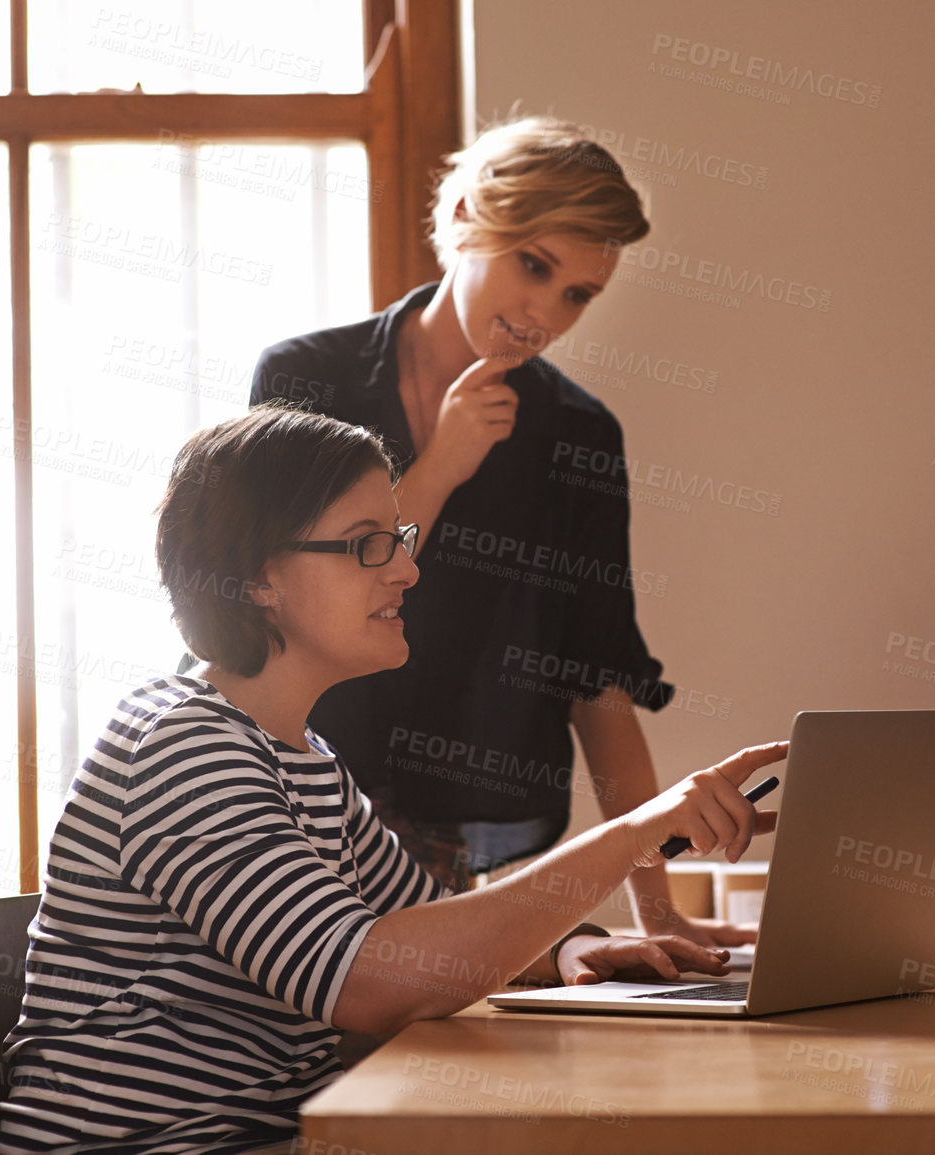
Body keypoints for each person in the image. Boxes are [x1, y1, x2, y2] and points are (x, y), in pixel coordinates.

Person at [0, 405, 784, 1154]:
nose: (406, 568)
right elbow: (368, 981)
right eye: (367, 543)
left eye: (398, 537)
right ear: (258, 576)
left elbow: (427, 925)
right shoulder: (181, 747)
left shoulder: (299, 757)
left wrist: (572, 946)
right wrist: (632, 832)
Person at [249, 117, 749, 944]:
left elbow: (598, 684)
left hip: (432, 853)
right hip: (276, 808)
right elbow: (289, 592)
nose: (543, 312)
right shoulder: (305, 377)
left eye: (576, 294)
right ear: (463, 223)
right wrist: (440, 463)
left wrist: (660, 913)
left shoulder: (578, 436)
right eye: (534, 265)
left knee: (424, 1063)